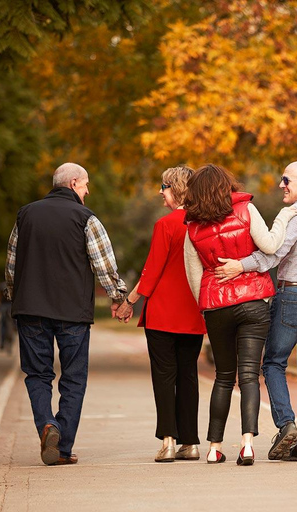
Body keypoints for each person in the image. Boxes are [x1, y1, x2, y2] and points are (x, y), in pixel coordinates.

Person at [215, 160, 297, 463]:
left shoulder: (296, 215)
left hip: (295, 294)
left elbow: (273, 254)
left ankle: (286, 424)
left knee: (273, 362)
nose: (281, 185)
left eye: (286, 180)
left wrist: (240, 265)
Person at [5, 162, 128, 466]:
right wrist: (118, 296)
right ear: (73, 183)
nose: (87, 192)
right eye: (86, 185)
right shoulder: (86, 218)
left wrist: (14, 295)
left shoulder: (26, 214)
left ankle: (47, 425)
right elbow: (104, 263)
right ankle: (62, 446)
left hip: (31, 309)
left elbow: (11, 263)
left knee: (37, 374)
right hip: (73, 312)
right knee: (73, 378)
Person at [183, 163, 297, 465]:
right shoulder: (246, 210)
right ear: (227, 186)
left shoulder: (191, 228)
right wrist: (284, 217)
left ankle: (213, 447)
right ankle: (247, 445)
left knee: (223, 377)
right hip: (254, 301)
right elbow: (271, 245)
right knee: (249, 376)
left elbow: (194, 277)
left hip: (217, 305)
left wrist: (206, 306)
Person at [114, 166, 207, 463]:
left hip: (163, 314)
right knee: (188, 375)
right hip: (193, 312)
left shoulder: (166, 224)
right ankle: (190, 442)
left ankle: (168, 441)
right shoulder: (204, 223)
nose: (160, 192)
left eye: (164, 186)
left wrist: (128, 301)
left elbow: (152, 271)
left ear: (177, 189)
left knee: (164, 376)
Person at [0, 281, 15, 354]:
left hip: (4, 306)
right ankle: (7, 343)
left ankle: (2, 343)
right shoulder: (14, 284)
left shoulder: (2, 285)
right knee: (11, 324)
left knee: (2, 325)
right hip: (10, 306)